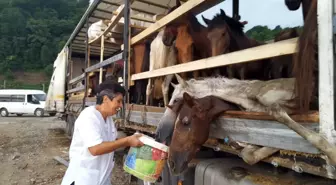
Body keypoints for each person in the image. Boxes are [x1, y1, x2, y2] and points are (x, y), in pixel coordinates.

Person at [61, 80, 144, 185]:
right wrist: (127, 141)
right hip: (83, 179)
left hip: (101, 178)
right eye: (118, 101)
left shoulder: (108, 119)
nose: (121, 106)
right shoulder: (89, 117)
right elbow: (95, 149)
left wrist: (133, 140)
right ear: (105, 99)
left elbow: (110, 142)